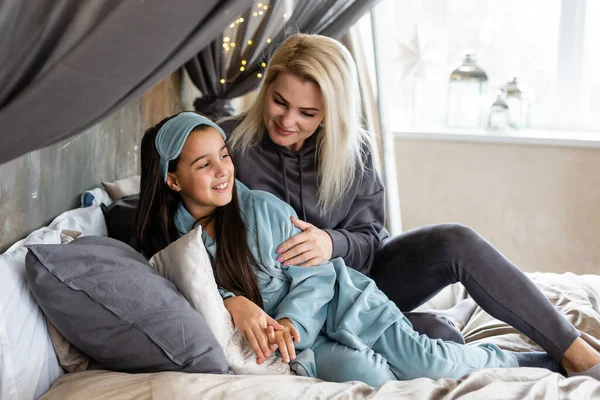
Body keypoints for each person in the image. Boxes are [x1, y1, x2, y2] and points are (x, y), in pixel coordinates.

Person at [216, 33, 600, 380]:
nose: (287, 120)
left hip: (361, 289)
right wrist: (231, 298)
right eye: (279, 102)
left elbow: (371, 237)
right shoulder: (224, 146)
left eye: (308, 113)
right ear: (266, 88)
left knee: (456, 240)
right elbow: (187, 237)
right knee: (440, 335)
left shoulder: (354, 151)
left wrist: (332, 244)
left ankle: (575, 351)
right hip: (288, 306)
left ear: (331, 112)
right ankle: (462, 326)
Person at [135, 112, 600, 386]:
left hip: (344, 306)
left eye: (224, 155)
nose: (223, 170)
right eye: (204, 164)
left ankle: (537, 361)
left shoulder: (259, 210)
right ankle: (449, 335)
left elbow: (317, 277)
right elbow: (177, 291)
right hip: (306, 350)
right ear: (172, 180)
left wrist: (291, 322)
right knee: (373, 378)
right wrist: (232, 302)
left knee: (430, 360)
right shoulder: (175, 249)